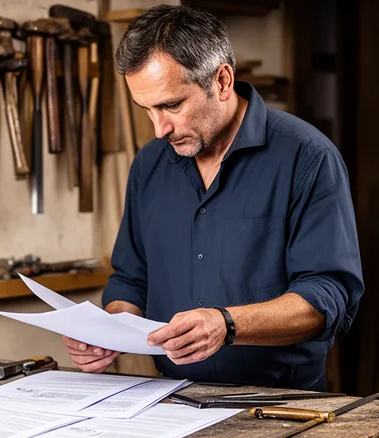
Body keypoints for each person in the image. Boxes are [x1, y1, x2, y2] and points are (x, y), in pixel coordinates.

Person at [62, 5, 363, 391]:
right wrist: (110, 328)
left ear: (222, 81)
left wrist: (227, 324)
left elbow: (328, 297)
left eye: (172, 105)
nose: (159, 129)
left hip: (280, 403)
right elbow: (131, 279)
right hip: (169, 400)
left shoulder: (307, 157)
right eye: (147, 110)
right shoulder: (149, 164)